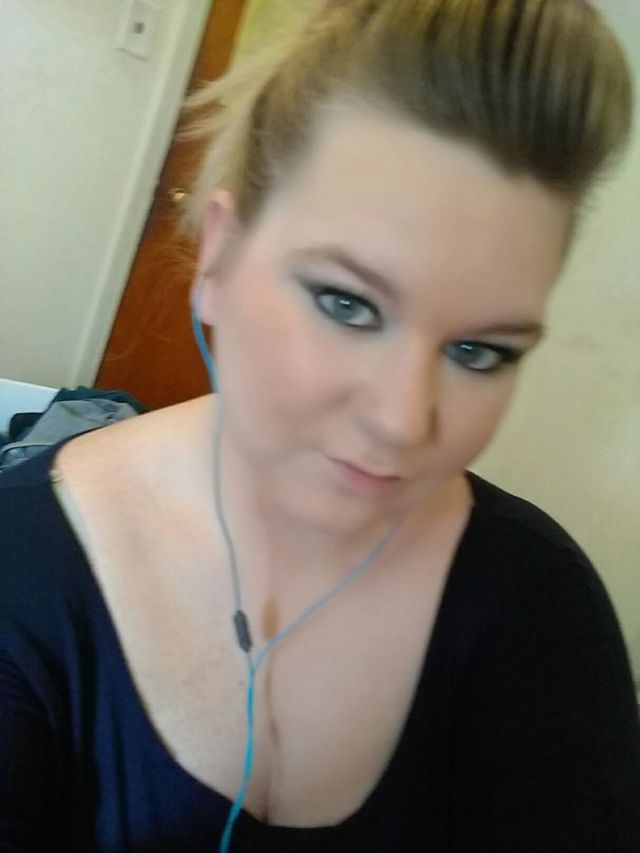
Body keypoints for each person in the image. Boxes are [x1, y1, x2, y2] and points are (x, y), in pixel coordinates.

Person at [1, 0, 639, 850]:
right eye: (347, 303)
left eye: (479, 350)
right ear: (220, 256)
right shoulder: (19, 576)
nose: (402, 421)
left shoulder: (539, 607)